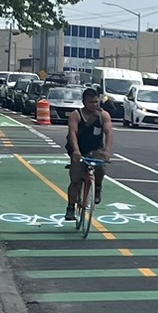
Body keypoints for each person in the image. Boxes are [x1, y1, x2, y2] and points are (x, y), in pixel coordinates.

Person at [65, 86, 113, 220]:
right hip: (79, 149)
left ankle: (97, 187)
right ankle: (70, 207)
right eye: (91, 102)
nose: (94, 104)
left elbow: (109, 132)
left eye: (96, 101)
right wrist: (76, 150)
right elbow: (72, 133)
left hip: (95, 148)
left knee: (101, 167)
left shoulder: (103, 115)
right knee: (75, 180)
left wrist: (107, 150)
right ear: (84, 102)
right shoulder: (76, 115)